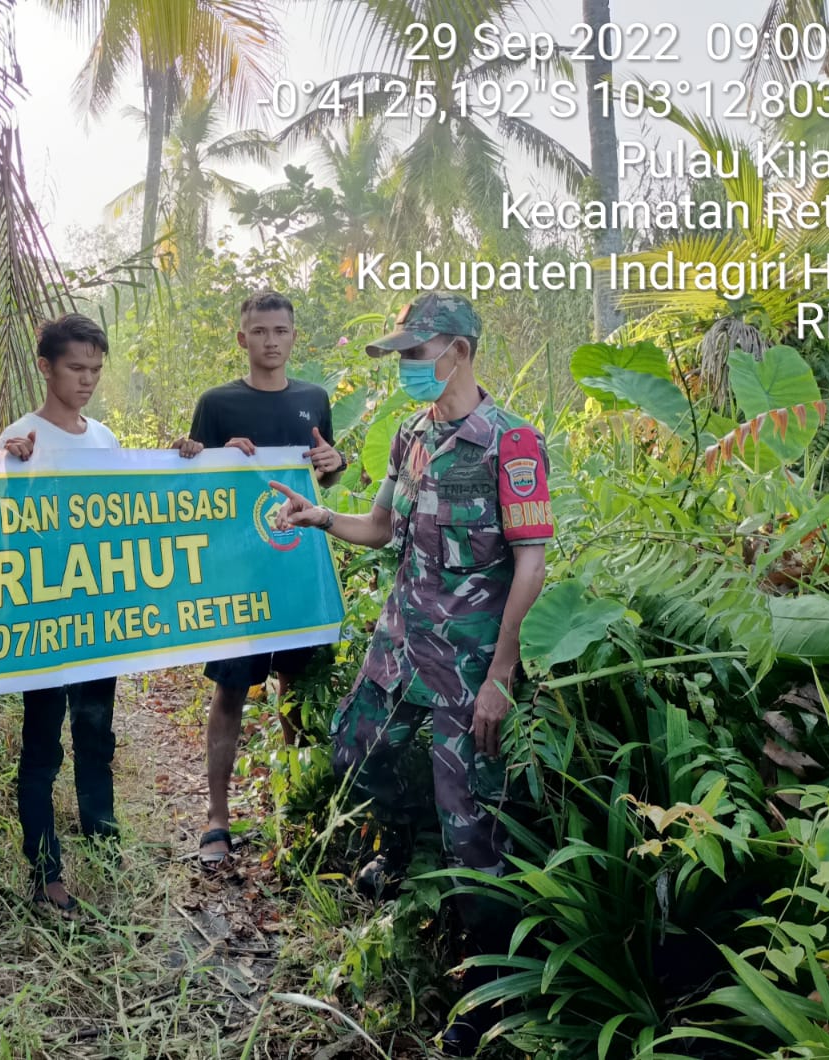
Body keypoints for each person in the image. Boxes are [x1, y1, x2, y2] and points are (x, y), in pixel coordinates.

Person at [270, 291, 551, 1053]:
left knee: (472, 834)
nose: (405, 369)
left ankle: (483, 995)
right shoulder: (410, 436)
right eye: (399, 357)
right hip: (398, 647)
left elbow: (530, 562)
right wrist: (322, 517)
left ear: (458, 351)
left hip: (467, 665)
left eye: (414, 356)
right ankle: (394, 848)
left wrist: (502, 670)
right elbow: (383, 525)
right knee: (360, 753)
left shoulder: (510, 444)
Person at [174, 290, 346, 867]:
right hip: (238, 574)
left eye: (281, 330)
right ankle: (217, 818)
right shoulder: (217, 403)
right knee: (229, 692)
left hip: (298, 569)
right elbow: (193, 486)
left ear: (295, 337)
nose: (271, 340)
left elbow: (328, 486)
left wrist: (335, 465)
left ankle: (290, 806)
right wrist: (216, 457)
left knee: (294, 691)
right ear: (241, 338)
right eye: (260, 331)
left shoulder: (313, 399)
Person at [0, 313, 128, 916]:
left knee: (96, 733)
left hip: (96, 616)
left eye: (96, 370)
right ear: (45, 367)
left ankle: (103, 838)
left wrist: (188, 460)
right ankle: (45, 871)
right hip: (41, 623)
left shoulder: (104, 439)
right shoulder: (19, 437)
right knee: (42, 746)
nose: (87, 380)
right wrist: (8, 468)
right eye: (76, 368)